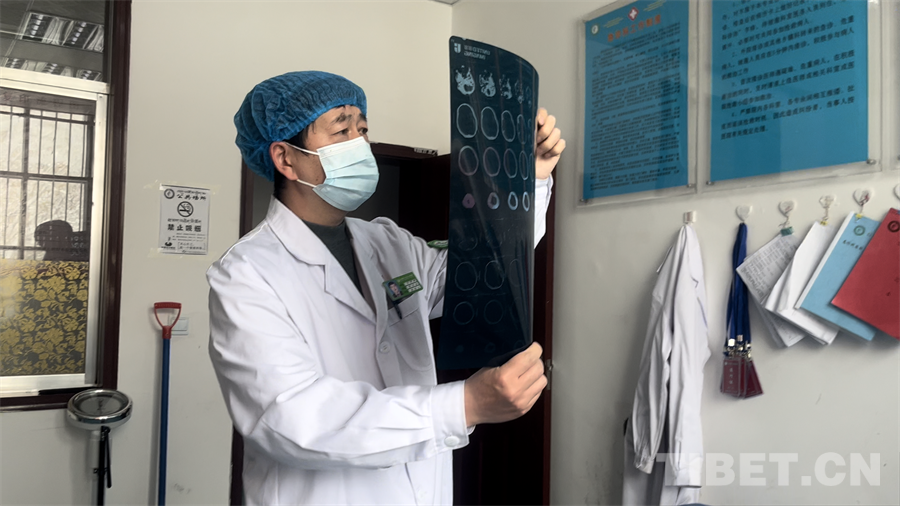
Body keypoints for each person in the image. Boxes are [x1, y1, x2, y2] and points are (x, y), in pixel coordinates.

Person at [208, 71, 565, 505]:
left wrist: (530, 181)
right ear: (285, 158)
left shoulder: (386, 241)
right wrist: (464, 405)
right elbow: (290, 418)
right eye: (342, 130)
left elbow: (478, 275)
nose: (361, 144)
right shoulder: (247, 273)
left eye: (363, 129)